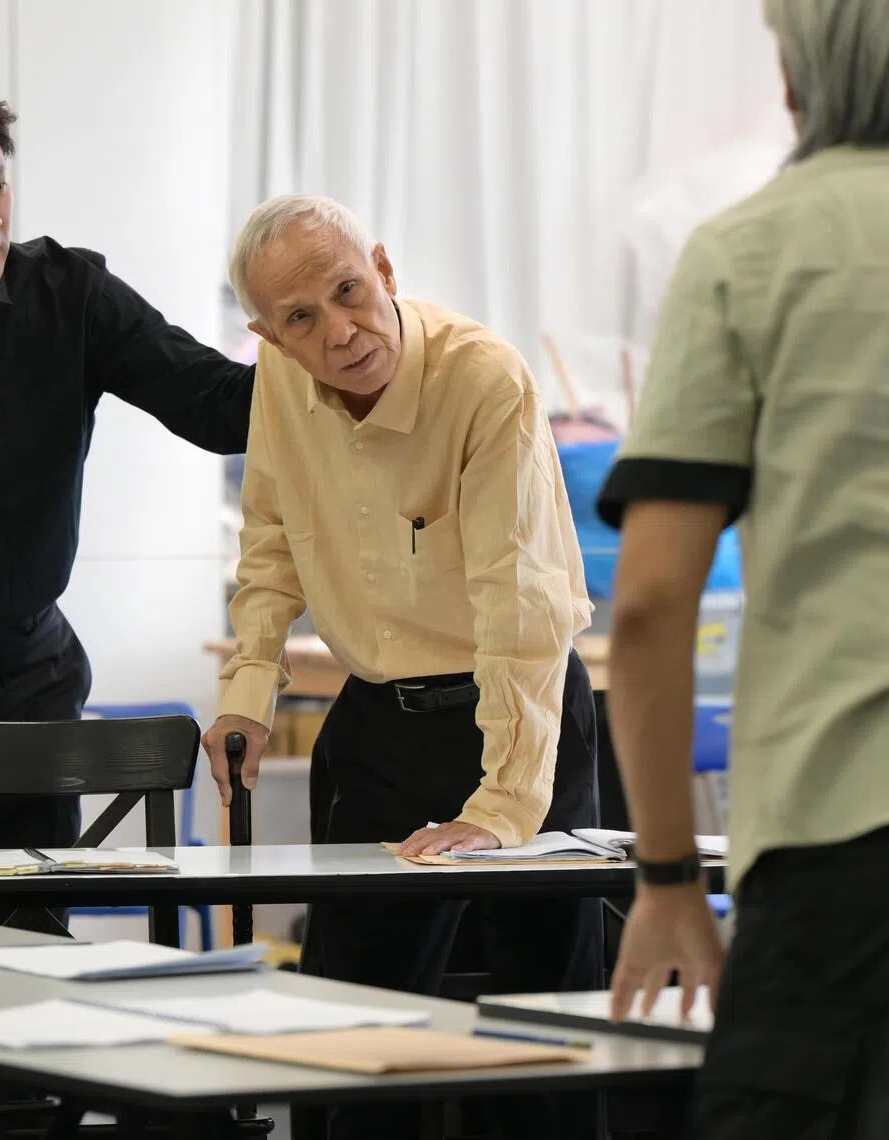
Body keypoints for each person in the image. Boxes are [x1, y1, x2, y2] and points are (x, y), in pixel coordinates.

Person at [596, 1, 889, 1137]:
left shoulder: (751, 250)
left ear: (798, 72)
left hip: (860, 841)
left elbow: (654, 601)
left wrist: (669, 877)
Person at [0, 65, 253, 1127]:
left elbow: (222, 404)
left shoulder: (67, 295)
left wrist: (357, 339)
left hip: (22, 689)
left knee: (22, 991)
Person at [203, 194, 604, 1140]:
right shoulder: (278, 379)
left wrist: (502, 805)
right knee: (351, 1021)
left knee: (542, 1020)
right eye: (301, 318)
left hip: (521, 710)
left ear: (383, 269)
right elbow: (268, 538)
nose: (340, 332)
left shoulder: (483, 378)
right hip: (381, 717)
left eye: (348, 291)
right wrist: (248, 692)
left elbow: (522, 603)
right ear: (268, 332)